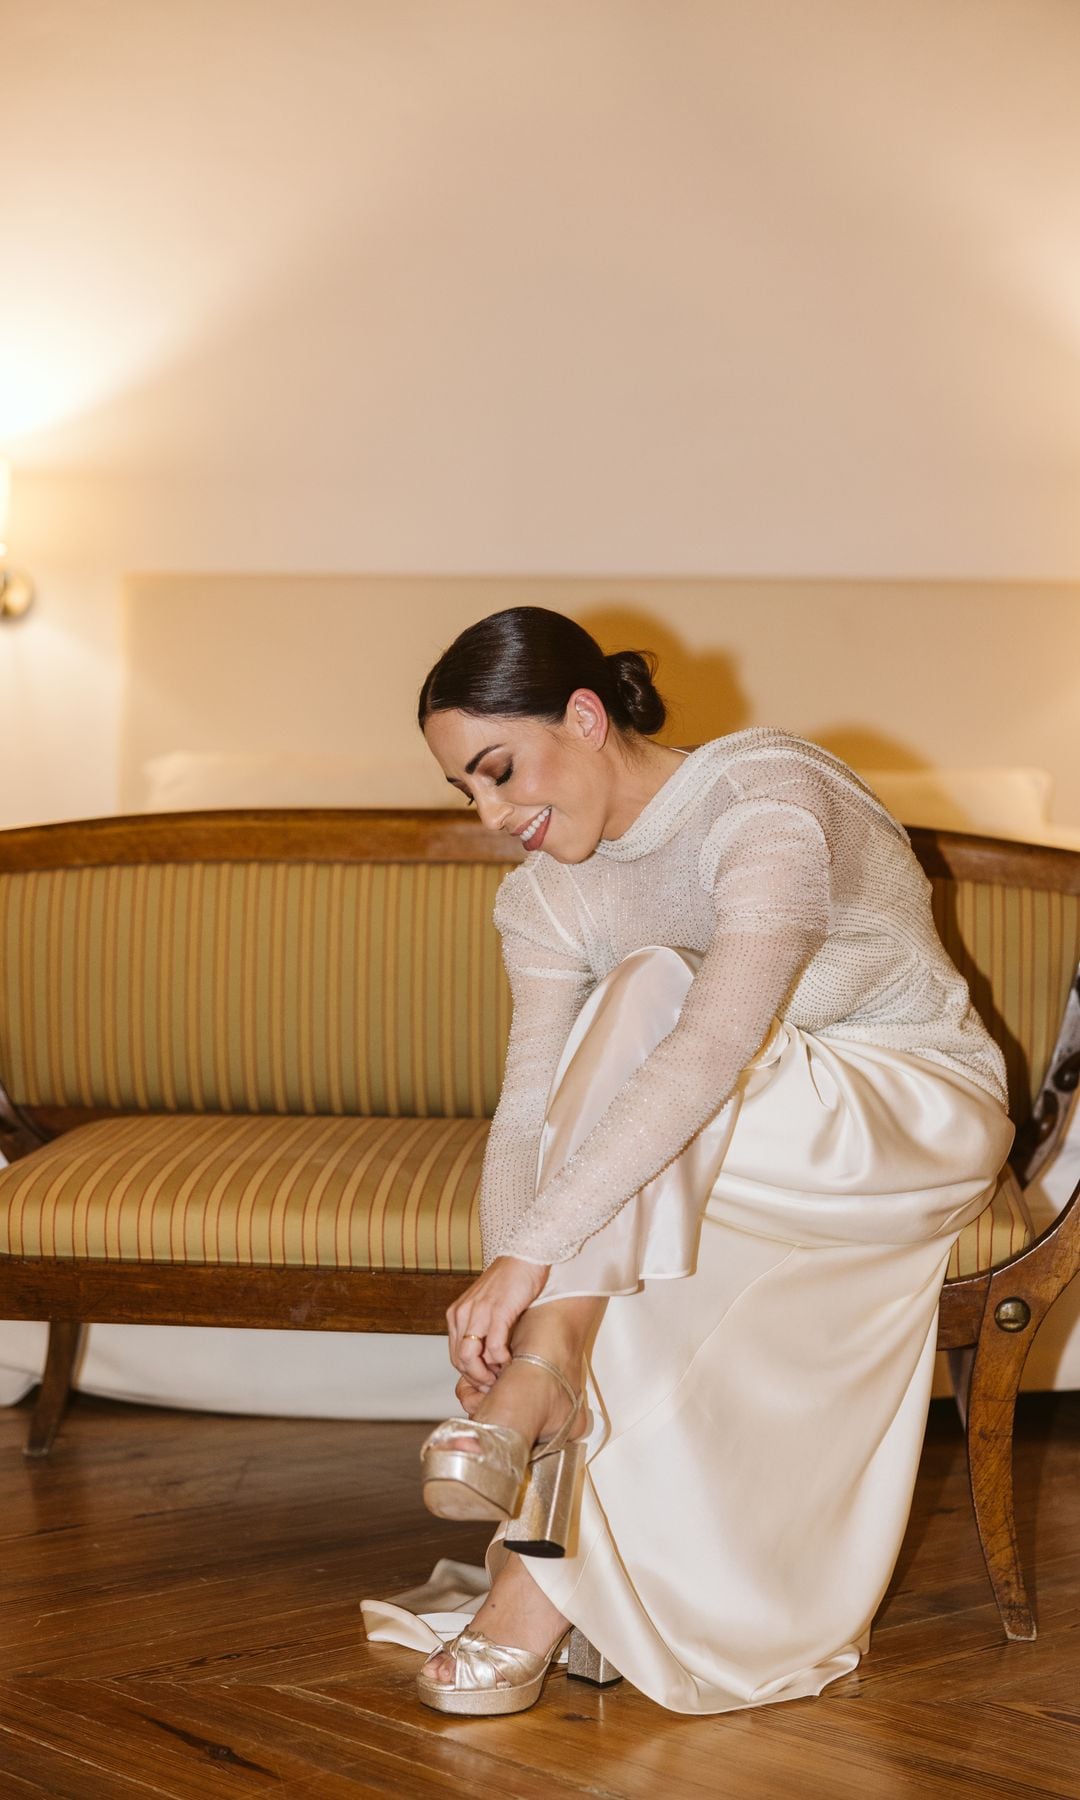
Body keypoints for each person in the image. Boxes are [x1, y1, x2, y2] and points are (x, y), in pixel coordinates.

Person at [393, 605, 1012, 1717]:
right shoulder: (538, 894)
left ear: (584, 716)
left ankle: (541, 1437)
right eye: (466, 791)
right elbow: (531, 1107)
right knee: (624, 1226)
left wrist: (530, 1267)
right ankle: (548, 1513)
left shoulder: (765, 798)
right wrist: (502, 1284)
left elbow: (712, 1043)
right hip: (736, 1141)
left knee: (648, 991)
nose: (490, 814)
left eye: (497, 770)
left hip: (905, 1111)